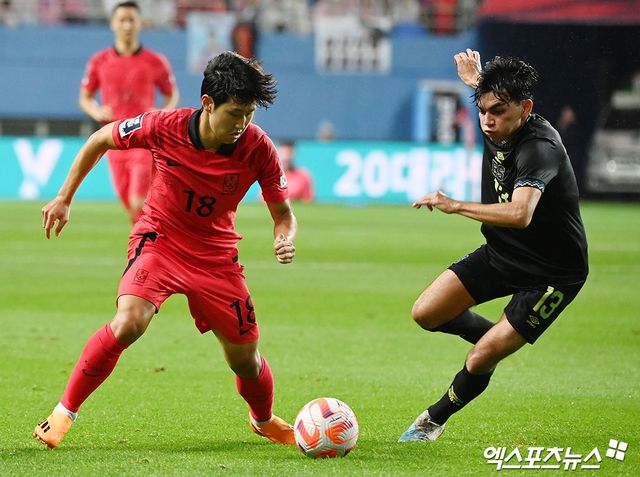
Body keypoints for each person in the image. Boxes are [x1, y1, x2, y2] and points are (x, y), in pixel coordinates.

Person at [34, 51, 298, 449]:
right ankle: (63, 413)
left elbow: (284, 215)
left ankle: (262, 419)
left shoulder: (258, 147)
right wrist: (64, 197)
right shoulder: (163, 126)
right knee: (129, 322)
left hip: (216, 257)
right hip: (160, 241)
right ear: (207, 103)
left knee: (246, 358)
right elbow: (100, 139)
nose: (242, 124)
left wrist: (283, 236)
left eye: (249, 114)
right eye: (234, 113)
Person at [398, 49, 588, 442]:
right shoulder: (496, 112)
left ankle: (431, 421)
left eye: (498, 111)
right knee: (426, 312)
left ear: (525, 108)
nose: (487, 120)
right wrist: (477, 79)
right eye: (482, 110)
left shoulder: (540, 147)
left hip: (552, 273)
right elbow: (487, 94)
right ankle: (498, 342)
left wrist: (454, 205)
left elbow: (520, 213)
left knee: (479, 357)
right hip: (503, 253)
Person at [79, 1, 179, 224]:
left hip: (143, 139)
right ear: (113, 23)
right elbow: (85, 97)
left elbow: (171, 93)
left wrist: (163, 112)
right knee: (131, 207)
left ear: (140, 23)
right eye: (122, 20)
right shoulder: (99, 61)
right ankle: (149, 239)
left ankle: (152, 239)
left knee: (138, 201)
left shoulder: (155, 61)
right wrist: (96, 111)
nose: (127, 25)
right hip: (113, 141)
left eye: (131, 20)